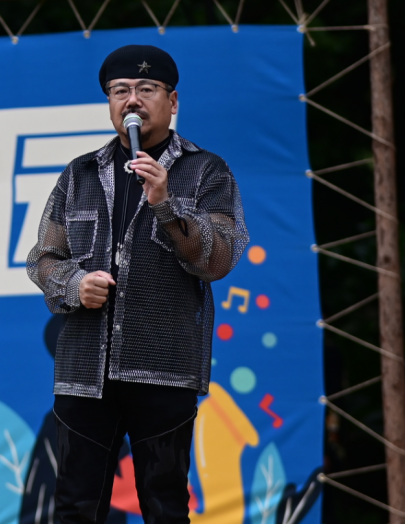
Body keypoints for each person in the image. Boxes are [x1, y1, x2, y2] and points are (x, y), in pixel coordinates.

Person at [26, 45, 249, 524]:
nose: (132, 100)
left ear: (172, 101)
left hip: (164, 366)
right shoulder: (80, 174)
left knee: (165, 507)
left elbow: (220, 258)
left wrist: (166, 204)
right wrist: (74, 283)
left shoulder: (207, 171)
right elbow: (42, 258)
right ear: (109, 102)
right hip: (85, 372)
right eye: (119, 91)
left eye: (146, 89)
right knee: (75, 507)